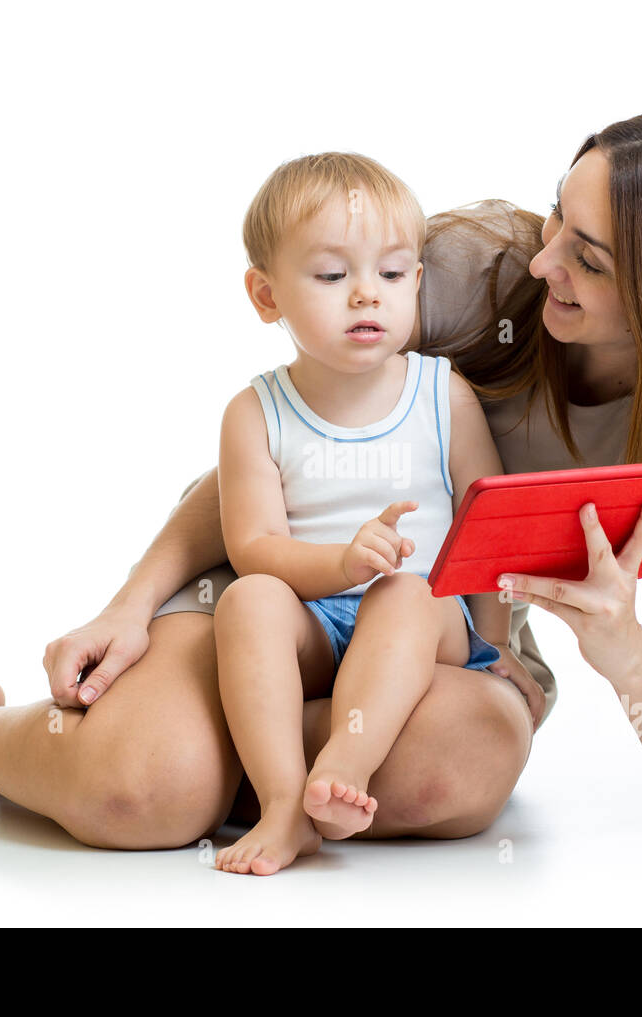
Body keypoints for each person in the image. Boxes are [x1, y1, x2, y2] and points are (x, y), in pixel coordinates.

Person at [0, 106, 642, 848]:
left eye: (589, 258)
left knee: (463, 763)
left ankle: (234, 763)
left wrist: (619, 649)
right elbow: (278, 441)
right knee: (135, 790)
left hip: (433, 626)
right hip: (277, 572)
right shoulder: (468, 271)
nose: (542, 261)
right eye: (558, 219)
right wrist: (128, 606)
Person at [211, 153, 510, 875]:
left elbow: (491, 528)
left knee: (405, 591)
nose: (366, 296)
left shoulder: (444, 394)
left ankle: (341, 766)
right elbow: (253, 545)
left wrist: (500, 654)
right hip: (318, 618)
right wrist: (340, 564)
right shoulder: (256, 412)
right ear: (266, 294)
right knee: (248, 600)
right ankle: (286, 804)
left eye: (393, 273)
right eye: (332, 275)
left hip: (422, 627)